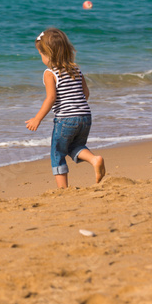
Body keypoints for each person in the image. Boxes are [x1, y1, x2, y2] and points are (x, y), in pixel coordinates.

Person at [25, 28, 106, 188]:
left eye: (41, 54)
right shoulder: (75, 69)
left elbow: (51, 98)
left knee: (57, 153)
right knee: (75, 146)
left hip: (66, 120)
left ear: (49, 54)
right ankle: (93, 159)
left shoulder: (50, 73)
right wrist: (77, 107)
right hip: (85, 116)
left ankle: (63, 189)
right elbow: (86, 92)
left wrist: (37, 118)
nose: (41, 57)